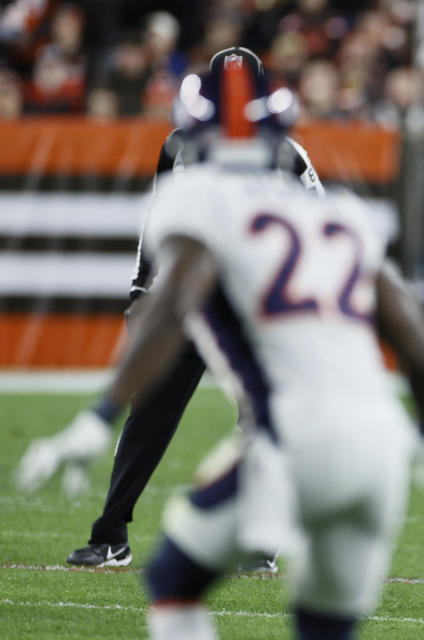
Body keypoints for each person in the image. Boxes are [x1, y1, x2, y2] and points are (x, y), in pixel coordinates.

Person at [16, 56, 424, 640]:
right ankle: (119, 532)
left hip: (294, 426)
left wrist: (98, 415)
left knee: (173, 580)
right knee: (325, 622)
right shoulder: (345, 216)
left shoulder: (198, 191)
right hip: (382, 442)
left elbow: (173, 299)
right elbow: (419, 347)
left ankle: (231, 541)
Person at [64, 46, 323, 570]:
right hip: (193, 302)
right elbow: (157, 218)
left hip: (252, 307)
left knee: (263, 422)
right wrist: (141, 286)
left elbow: (317, 224)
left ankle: (258, 539)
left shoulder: (287, 154)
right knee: (150, 417)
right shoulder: (181, 147)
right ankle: (111, 534)